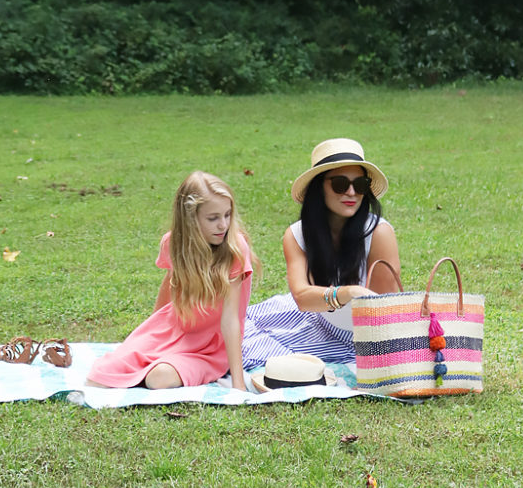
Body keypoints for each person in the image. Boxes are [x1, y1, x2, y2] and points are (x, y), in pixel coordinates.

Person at [86, 171, 256, 391]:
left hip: (211, 347)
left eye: (227, 215)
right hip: (176, 329)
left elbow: (231, 319)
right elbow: (169, 284)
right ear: (190, 219)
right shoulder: (173, 244)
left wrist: (239, 384)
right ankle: (155, 358)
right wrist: (149, 336)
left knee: (159, 378)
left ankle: (172, 365)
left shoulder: (235, 248)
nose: (223, 225)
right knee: (99, 377)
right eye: (213, 218)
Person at [242, 138, 400, 368]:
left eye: (361, 184)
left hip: (363, 335)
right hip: (315, 318)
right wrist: (348, 293)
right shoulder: (297, 235)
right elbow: (302, 298)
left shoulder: (378, 232)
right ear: (319, 187)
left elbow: (386, 311)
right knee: (235, 340)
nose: (352, 192)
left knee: (262, 356)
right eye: (339, 183)